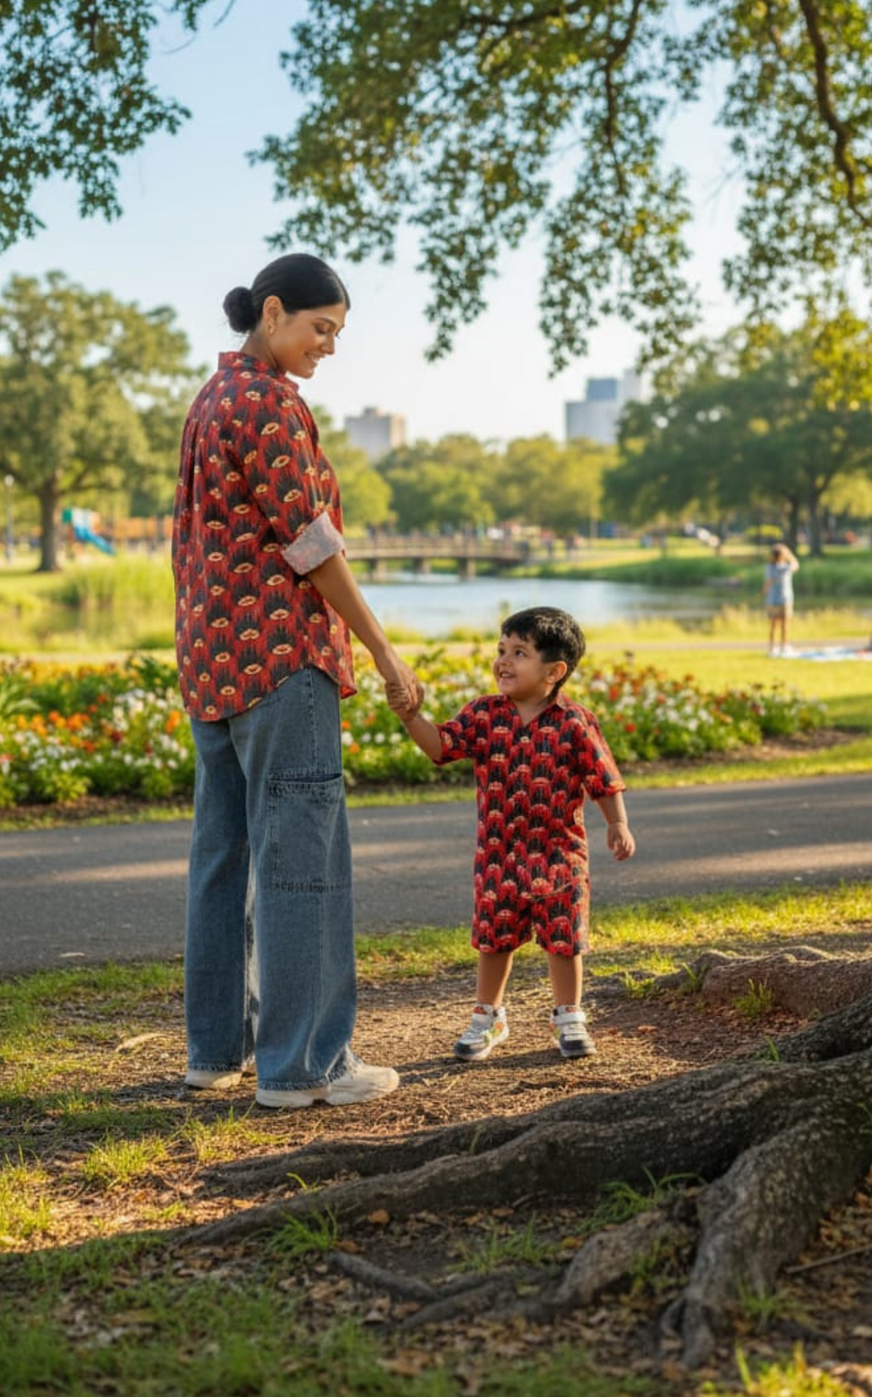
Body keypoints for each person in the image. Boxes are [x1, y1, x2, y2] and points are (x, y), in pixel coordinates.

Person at [172, 252, 420, 1109]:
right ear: (272, 312)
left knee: (220, 857)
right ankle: (304, 1066)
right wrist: (384, 650)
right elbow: (311, 545)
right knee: (303, 865)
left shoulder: (211, 399)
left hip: (211, 662)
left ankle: (216, 1050)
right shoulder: (269, 403)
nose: (329, 347)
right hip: (281, 661)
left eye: (338, 335)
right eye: (322, 329)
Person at [387, 606, 635, 1061]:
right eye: (501, 649)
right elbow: (442, 747)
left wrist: (617, 822)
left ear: (554, 671)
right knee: (494, 938)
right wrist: (410, 719)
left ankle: (568, 1015)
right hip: (499, 855)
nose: (503, 660)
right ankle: (489, 1015)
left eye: (519, 652)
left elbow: (602, 776)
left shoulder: (574, 723)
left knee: (564, 937)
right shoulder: (484, 715)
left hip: (559, 856)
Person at [763, 542, 799, 656]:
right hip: (785, 599)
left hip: (772, 600)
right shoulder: (786, 567)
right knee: (785, 625)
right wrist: (789, 555)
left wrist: (766, 589)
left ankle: (771, 647)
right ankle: (783, 646)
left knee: (773, 625)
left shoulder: (770, 567)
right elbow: (796, 564)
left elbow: (767, 584)